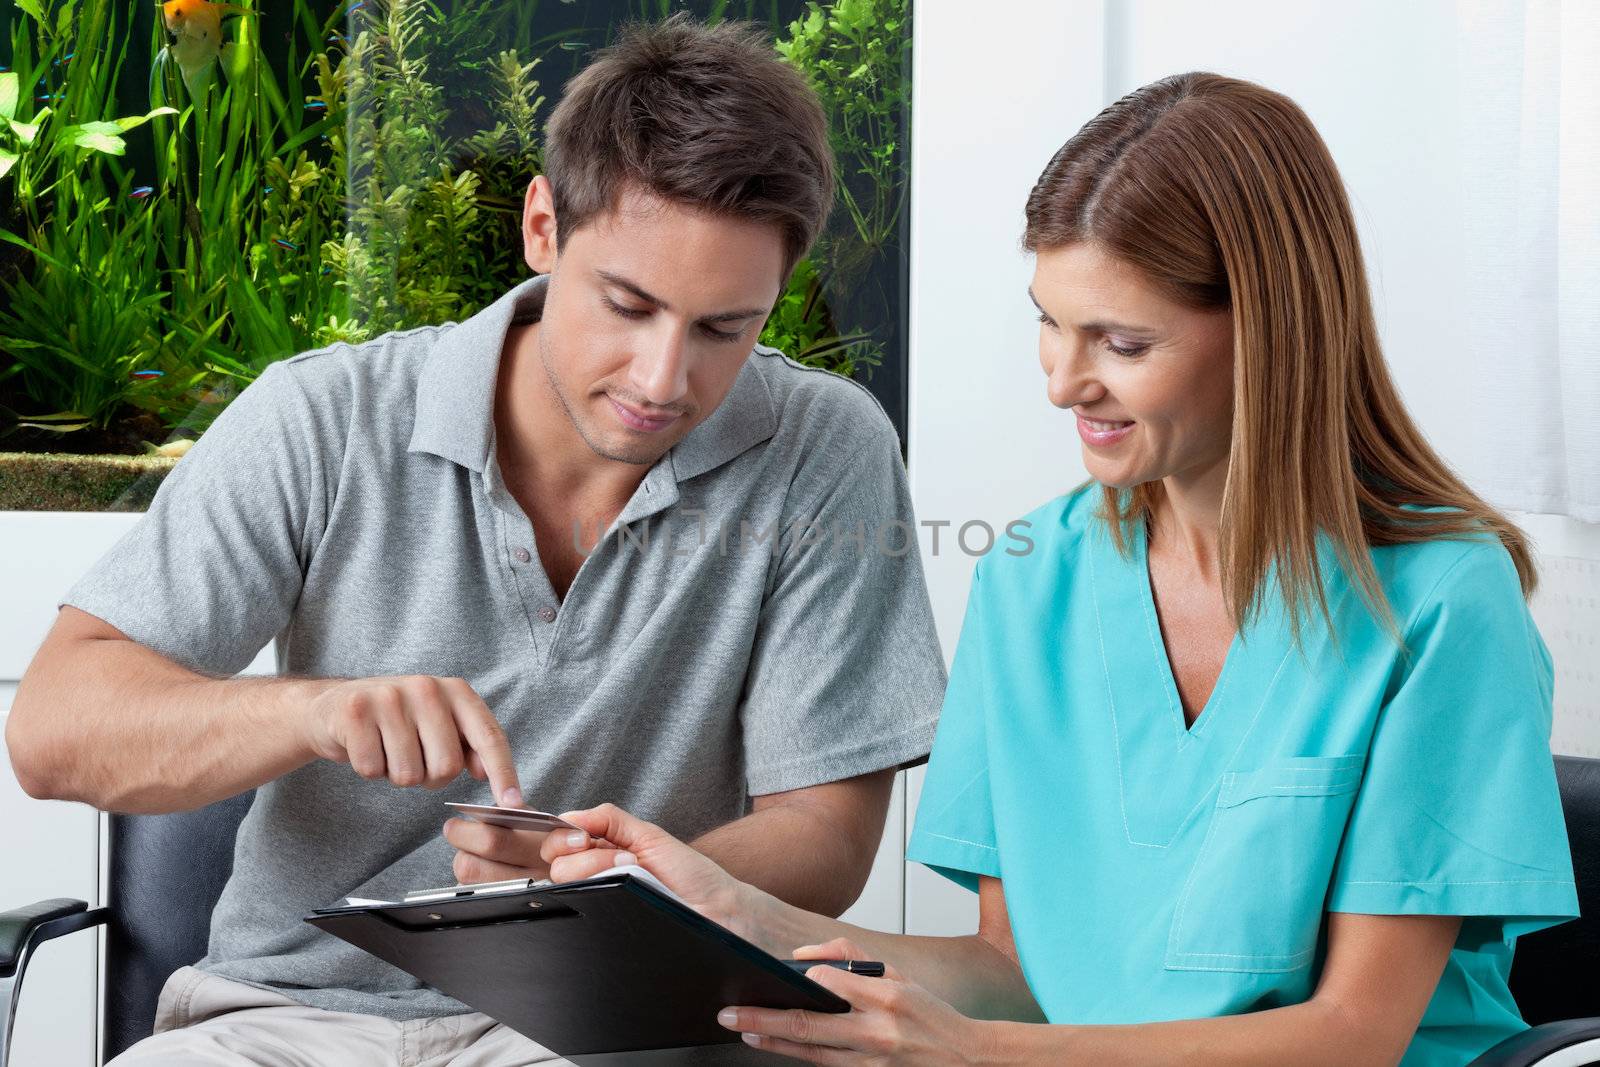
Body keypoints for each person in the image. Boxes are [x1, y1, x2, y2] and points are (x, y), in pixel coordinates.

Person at [537, 72, 1580, 1065]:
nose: (1064, 383)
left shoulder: (1439, 598)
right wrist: (728, 904)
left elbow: (1353, 1032)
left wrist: (983, 1054)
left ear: (1268, 330)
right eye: (1049, 321)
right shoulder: (1035, 581)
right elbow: (1011, 975)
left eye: (1122, 341)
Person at [5, 15, 947, 1066]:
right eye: (627, 304)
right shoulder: (320, 417)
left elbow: (826, 826)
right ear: (542, 227)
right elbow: (50, 733)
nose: (661, 379)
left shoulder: (826, 446)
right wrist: (311, 709)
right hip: (280, 1020)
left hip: (607, 1025)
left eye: (726, 327)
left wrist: (630, 879)